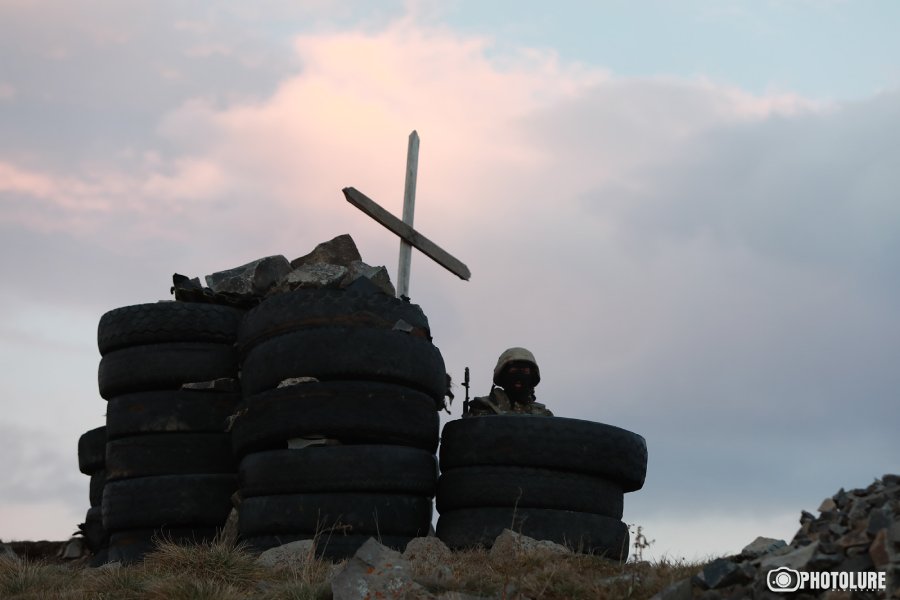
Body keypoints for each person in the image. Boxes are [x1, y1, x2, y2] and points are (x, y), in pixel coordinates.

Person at [462, 347, 553, 417]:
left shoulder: (543, 414)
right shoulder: (483, 407)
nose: (519, 377)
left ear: (532, 377)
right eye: (513, 371)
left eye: (525, 371)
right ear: (503, 375)